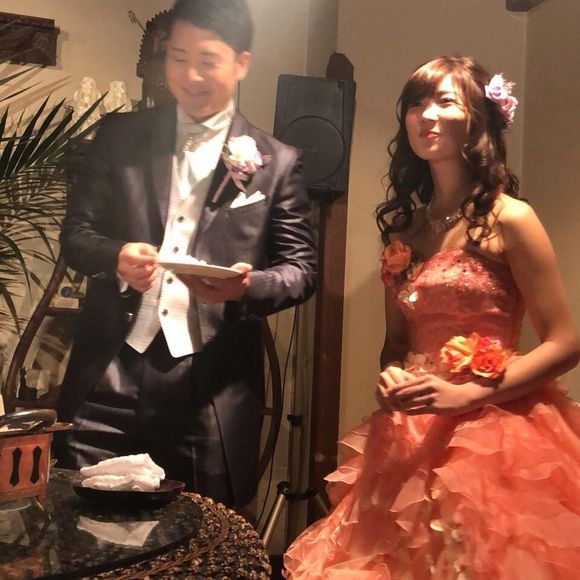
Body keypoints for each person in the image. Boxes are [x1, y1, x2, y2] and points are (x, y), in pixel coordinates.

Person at [284, 55, 580, 578]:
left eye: (444, 101)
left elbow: (566, 341)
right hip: (412, 429)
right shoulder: (405, 232)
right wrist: (391, 375)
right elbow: (396, 344)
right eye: (416, 104)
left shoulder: (511, 218)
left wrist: (470, 394)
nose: (427, 115)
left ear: (479, 118)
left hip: (497, 427)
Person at [55, 0, 316, 509]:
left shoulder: (277, 162)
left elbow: (301, 269)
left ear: (241, 63)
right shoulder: (119, 137)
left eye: (207, 60)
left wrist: (246, 286)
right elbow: (76, 234)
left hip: (212, 384)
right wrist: (115, 255)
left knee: (205, 534)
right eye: (178, 58)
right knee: (82, 526)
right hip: (110, 369)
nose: (191, 75)